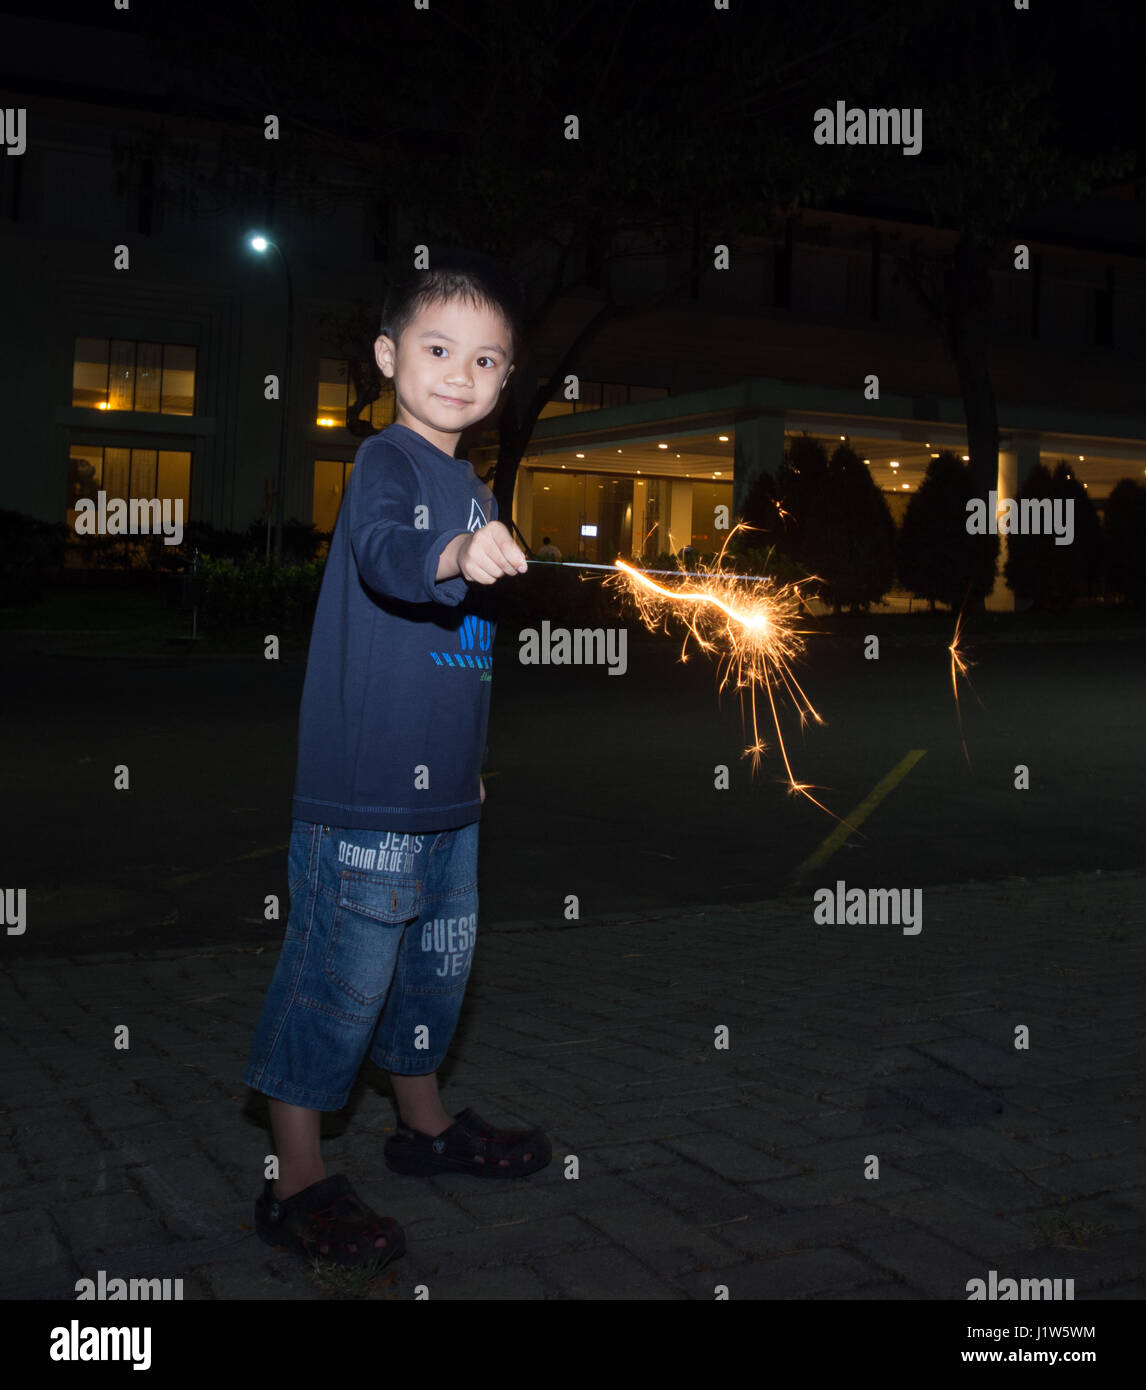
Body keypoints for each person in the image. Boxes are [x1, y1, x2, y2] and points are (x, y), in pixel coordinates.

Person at [242, 251, 551, 1268]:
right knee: (339, 984)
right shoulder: (387, 463)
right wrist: (454, 557)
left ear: (507, 381)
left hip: (446, 806)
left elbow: (458, 657)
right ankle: (296, 1180)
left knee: (432, 978)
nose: (460, 372)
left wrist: (468, 769)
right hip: (363, 801)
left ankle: (424, 1129)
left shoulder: (469, 482)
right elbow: (383, 558)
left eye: (487, 359)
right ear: (388, 355)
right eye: (436, 348)